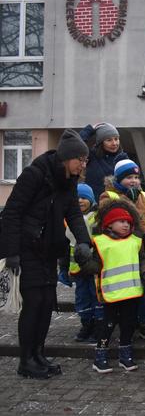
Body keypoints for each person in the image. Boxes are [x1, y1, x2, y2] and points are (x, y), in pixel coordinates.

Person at [0, 129, 92, 379]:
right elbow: (12, 213)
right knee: (33, 304)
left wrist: (84, 241)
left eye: (86, 161)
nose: (83, 165)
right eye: (80, 160)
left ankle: (38, 354)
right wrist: (12, 253)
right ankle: (26, 360)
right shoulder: (35, 174)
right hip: (27, 249)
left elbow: (73, 213)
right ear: (66, 157)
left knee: (45, 305)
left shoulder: (69, 182)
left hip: (49, 250)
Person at [80, 198, 145, 374]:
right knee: (107, 324)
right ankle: (100, 355)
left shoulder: (135, 240)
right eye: (121, 222)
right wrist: (83, 261)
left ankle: (125, 353)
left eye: (128, 222)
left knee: (129, 323)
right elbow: (96, 266)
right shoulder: (101, 242)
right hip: (110, 293)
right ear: (109, 225)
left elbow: (141, 259)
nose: (126, 225)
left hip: (132, 292)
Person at [99, 159, 145, 344]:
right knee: (127, 290)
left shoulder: (144, 195)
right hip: (123, 252)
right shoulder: (109, 196)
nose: (133, 181)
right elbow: (104, 221)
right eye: (128, 177)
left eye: (136, 177)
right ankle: (127, 323)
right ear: (118, 179)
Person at [66, 184, 102, 343]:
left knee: (95, 296)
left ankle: (97, 326)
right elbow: (67, 245)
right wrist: (64, 267)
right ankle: (86, 324)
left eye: (84, 198)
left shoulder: (97, 217)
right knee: (82, 298)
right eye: (77, 197)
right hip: (77, 269)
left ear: (91, 199)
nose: (80, 201)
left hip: (94, 267)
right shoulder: (69, 218)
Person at [79, 122, 130, 200]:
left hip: (117, 205)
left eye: (116, 139)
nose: (114, 143)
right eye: (109, 140)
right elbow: (76, 143)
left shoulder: (123, 158)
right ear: (100, 142)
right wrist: (89, 130)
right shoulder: (92, 156)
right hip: (94, 205)